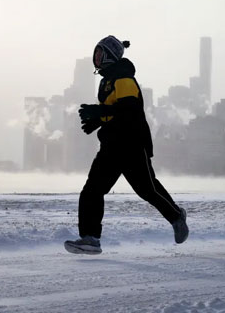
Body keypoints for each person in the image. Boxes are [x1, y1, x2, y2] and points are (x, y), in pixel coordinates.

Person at [64, 35, 188, 255]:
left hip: (131, 144)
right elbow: (114, 111)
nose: (96, 58)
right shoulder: (107, 80)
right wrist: (97, 121)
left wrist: (100, 112)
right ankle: (90, 238)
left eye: (100, 53)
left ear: (110, 55)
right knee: (92, 190)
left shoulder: (124, 79)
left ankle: (177, 217)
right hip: (111, 145)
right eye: (95, 53)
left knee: (147, 190)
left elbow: (129, 110)